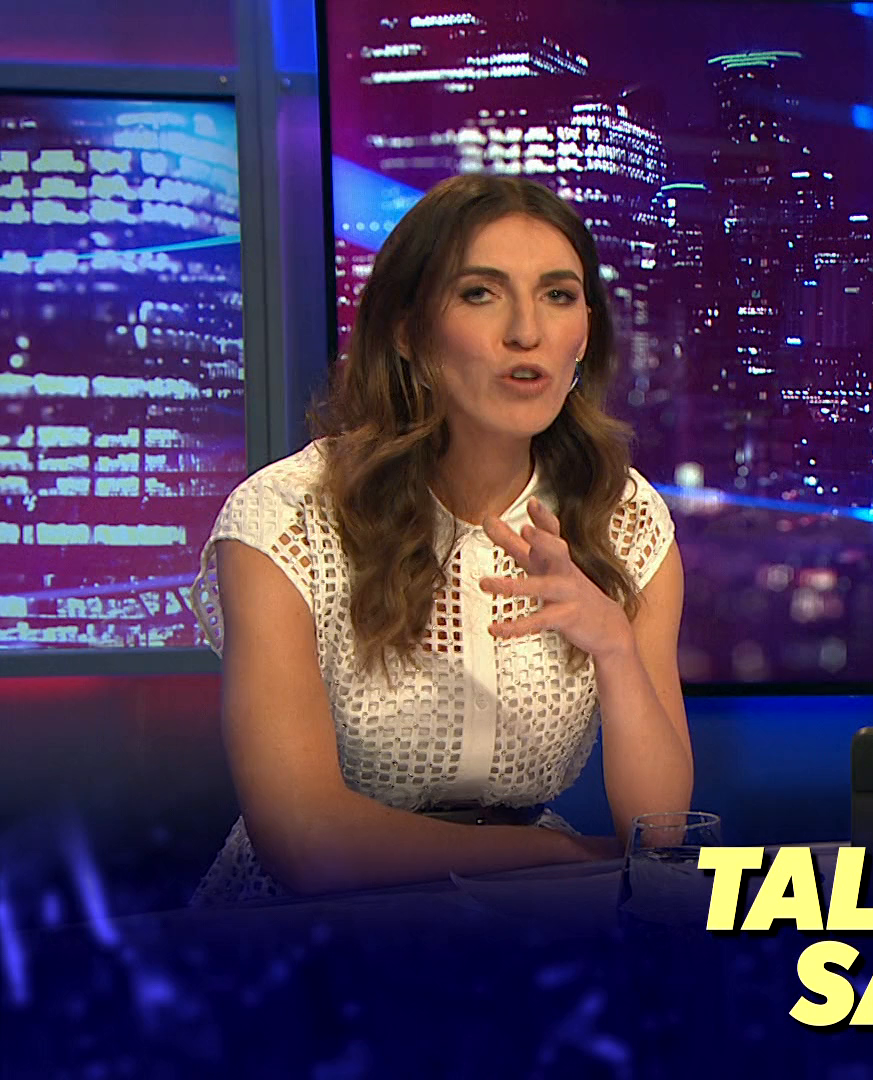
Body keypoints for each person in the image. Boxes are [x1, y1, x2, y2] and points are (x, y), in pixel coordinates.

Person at [189, 174, 692, 903]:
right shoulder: (288, 518)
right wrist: (555, 855)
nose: (526, 332)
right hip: (313, 927)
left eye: (557, 295)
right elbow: (305, 842)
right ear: (407, 328)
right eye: (480, 293)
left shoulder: (626, 519)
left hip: (523, 916)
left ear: (585, 331)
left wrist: (614, 645)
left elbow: (662, 828)